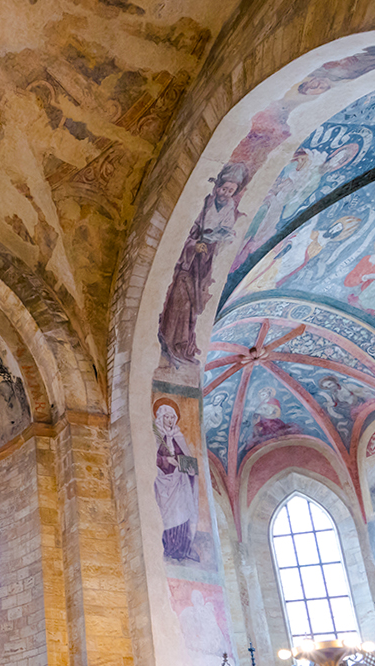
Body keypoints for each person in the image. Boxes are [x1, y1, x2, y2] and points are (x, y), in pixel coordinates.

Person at [158, 163, 248, 366]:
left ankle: (182, 345)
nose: (226, 193)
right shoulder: (205, 202)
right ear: (217, 188)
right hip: (189, 260)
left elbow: (225, 230)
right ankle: (168, 340)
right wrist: (193, 244)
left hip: (205, 259)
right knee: (180, 297)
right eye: (224, 189)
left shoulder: (229, 207)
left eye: (231, 191)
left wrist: (212, 240)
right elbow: (185, 230)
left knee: (193, 302)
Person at [153, 403, 200, 562]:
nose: (170, 420)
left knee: (182, 512)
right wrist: (166, 460)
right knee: (166, 514)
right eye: (167, 416)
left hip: (180, 482)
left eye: (173, 417)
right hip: (163, 481)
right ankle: (168, 547)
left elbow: (185, 457)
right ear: (160, 417)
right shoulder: (156, 435)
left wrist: (191, 469)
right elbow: (151, 457)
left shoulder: (178, 435)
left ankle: (182, 548)